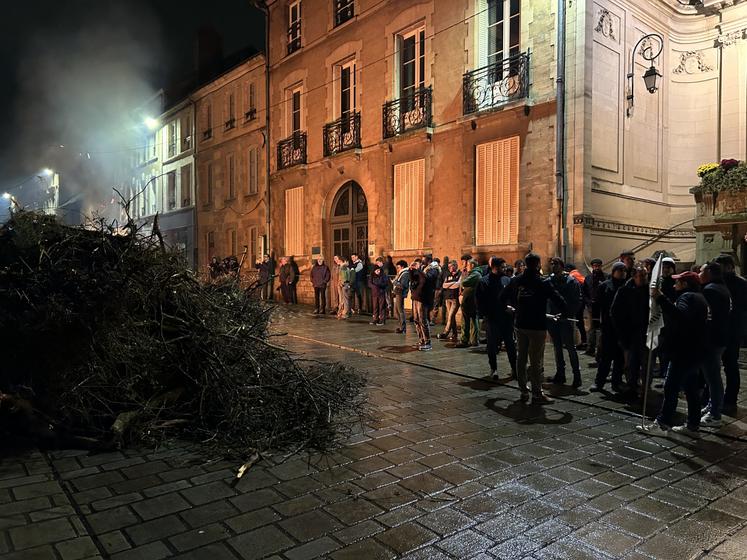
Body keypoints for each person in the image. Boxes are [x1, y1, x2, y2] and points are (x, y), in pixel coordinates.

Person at [640, 271, 708, 436]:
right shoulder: (700, 297)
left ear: (685, 284)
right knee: (691, 389)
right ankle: (693, 425)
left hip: (683, 350)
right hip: (695, 350)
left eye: (677, 282)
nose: (674, 284)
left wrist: (661, 298)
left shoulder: (687, 298)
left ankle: (663, 423)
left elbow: (680, 316)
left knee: (670, 387)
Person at [500, 253, 566, 404]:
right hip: (537, 326)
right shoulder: (543, 282)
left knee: (521, 358)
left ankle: (523, 391)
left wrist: (509, 308)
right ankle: (537, 393)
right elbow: (558, 299)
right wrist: (564, 313)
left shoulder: (517, 280)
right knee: (536, 361)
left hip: (520, 324)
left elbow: (502, 296)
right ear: (538, 265)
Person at [699, 261, 731, 428]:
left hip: (712, 340)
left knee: (712, 377)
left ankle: (715, 414)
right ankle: (713, 405)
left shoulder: (710, 290)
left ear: (710, 273)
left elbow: (708, 318)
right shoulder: (722, 288)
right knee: (713, 376)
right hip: (721, 338)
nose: (699, 274)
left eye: (701, 271)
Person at [611, 264, 650, 397]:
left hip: (646, 334)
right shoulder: (625, 291)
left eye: (645, 275)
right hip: (630, 334)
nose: (644, 278)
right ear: (634, 277)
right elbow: (615, 312)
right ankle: (632, 386)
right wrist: (622, 332)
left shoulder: (651, 291)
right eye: (641, 276)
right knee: (631, 363)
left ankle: (645, 389)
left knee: (646, 364)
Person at [714, 254, 747, 413]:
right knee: (713, 366)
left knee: (731, 366)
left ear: (729, 267)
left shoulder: (741, 284)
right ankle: (714, 398)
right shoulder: (717, 282)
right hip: (719, 329)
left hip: (733, 331)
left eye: (721, 267)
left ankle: (730, 400)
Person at [477, 257, 517, 380]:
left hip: (506, 318)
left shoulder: (507, 280)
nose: (505, 269)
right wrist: (486, 315)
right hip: (493, 318)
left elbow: (513, 297)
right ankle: (493, 368)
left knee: (510, 344)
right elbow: (480, 300)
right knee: (492, 345)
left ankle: (514, 369)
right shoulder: (484, 281)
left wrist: (513, 309)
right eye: (502, 267)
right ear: (494, 267)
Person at [589, 262, 627, 392]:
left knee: (619, 358)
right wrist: (595, 323)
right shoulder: (605, 286)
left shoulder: (627, 286)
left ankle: (616, 382)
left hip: (622, 328)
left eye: (624, 270)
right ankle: (599, 382)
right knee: (605, 357)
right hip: (608, 327)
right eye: (620, 270)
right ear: (614, 271)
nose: (622, 272)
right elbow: (596, 305)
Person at [546, 258, 582, 388]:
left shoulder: (571, 281)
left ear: (561, 266)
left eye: (555, 264)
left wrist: (567, 313)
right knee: (557, 347)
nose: (553, 266)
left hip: (566, 319)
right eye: (552, 264)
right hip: (553, 319)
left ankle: (577, 376)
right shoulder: (549, 281)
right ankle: (560, 374)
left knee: (570, 348)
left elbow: (576, 300)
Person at [409, 259, 439, 350]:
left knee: (423, 320)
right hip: (416, 297)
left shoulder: (433, 270)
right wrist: (411, 270)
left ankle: (427, 342)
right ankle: (421, 340)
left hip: (423, 298)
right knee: (416, 319)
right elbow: (413, 279)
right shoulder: (422, 270)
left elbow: (425, 279)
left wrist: (418, 270)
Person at [455, 259, 481, 348]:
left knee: (468, 321)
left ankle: (466, 340)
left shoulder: (475, 274)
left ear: (472, 265)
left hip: (471, 301)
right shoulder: (474, 274)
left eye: (468, 265)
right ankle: (473, 340)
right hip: (469, 301)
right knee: (472, 320)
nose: (466, 266)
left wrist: (464, 275)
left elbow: (463, 282)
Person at [583, 258, 606, 358]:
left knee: (601, 328)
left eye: (598, 266)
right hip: (591, 306)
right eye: (594, 266)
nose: (596, 268)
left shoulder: (605, 277)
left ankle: (600, 349)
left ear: (601, 266)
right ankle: (590, 348)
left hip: (602, 306)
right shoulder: (588, 278)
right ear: (592, 267)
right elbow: (584, 292)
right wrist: (588, 303)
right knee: (591, 328)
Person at [566, 262, 588, 350]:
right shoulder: (578, 274)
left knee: (571, 321)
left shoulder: (572, 275)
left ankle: (571, 342)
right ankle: (584, 341)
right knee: (580, 322)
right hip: (581, 302)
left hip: (575, 302)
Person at [437, 261, 461, 341]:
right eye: (449, 266)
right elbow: (444, 285)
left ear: (455, 266)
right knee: (452, 317)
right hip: (447, 298)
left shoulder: (460, 274)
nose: (449, 268)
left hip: (455, 298)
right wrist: (452, 284)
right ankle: (455, 334)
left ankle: (445, 332)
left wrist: (450, 285)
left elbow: (458, 284)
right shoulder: (448, 274)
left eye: (451, 266)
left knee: (450, 316)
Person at [368, 261, 389, 326]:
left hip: (381, 293)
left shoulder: (383, 275)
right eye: (376, 270)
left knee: (381, 307)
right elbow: (369, 283)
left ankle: (382, 320)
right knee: (375, 307)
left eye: (378, 270)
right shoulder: (372, 276)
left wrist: (378, 285)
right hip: (374, 294)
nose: (378, 271)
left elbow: (385, 283)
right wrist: (374, 286)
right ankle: (375, 319)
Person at [392, 260, 410, 334]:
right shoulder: (402, 273)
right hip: (398, 292)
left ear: (402, 267)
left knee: (400, 310)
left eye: (398, 267)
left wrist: (394, 282)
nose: (397, 269)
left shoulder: (405, 274)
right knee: (397, 310)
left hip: (400, 293)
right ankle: (401, 327)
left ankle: (403, 328)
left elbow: (403, 285)